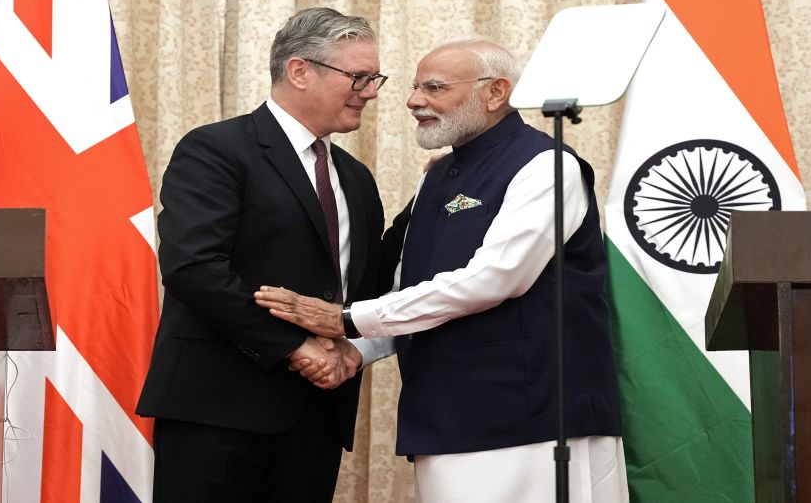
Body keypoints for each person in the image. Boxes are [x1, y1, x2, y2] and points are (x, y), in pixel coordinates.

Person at [255, 37, 629, 502]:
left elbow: (495, 279)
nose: (413, 101)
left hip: (532, 416)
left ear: (495, 92)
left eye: (434, 87)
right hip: (445, 414)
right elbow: (412, 287)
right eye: (414, 87)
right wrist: (359, 349)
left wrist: (345, 320)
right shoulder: (438, 173)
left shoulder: (546, 166)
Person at [136, 7, 392, 503]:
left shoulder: (355, 178)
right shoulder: (215, 149)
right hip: (218, 412)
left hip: (316, 415)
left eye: (374, 77)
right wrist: (294, 346)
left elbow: (369, 288)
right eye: (358, 77)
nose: (372, 91)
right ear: (299, 71)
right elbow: (193, 268)